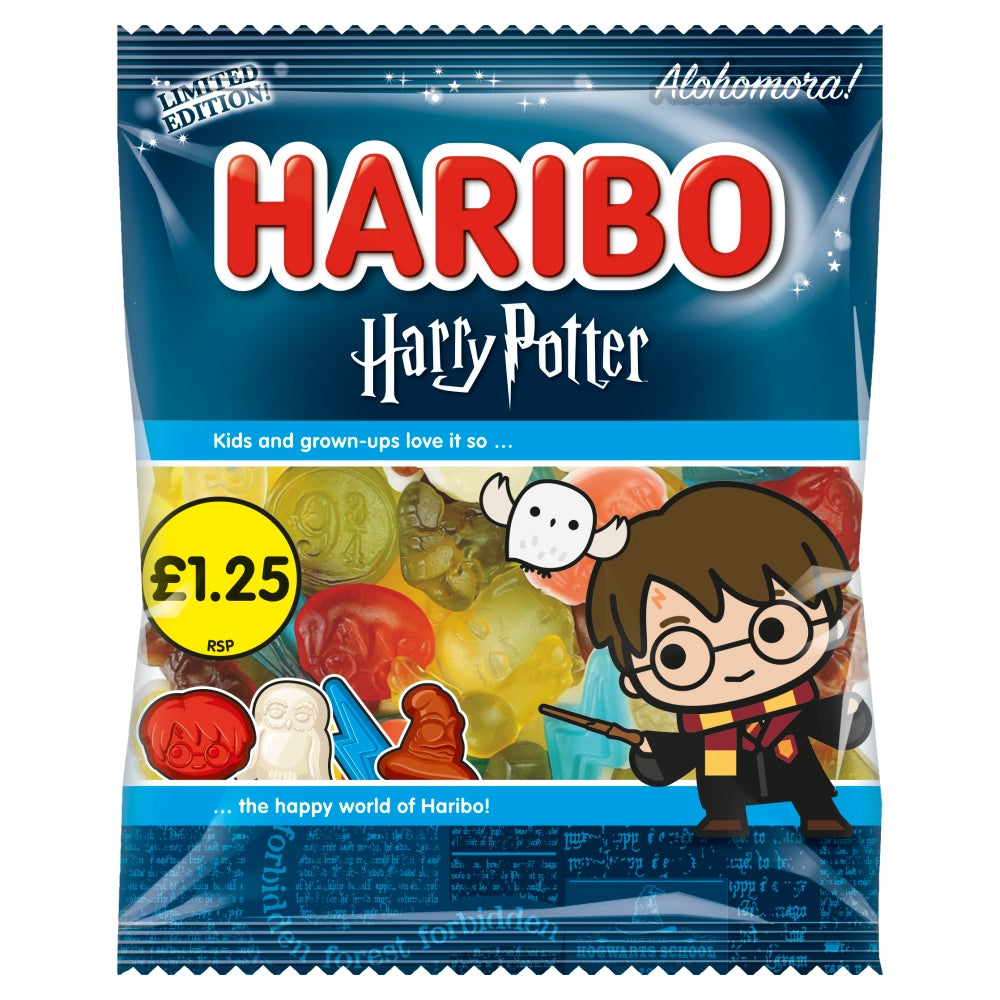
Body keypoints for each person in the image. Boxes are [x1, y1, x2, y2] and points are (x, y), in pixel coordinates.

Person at [587, 482, 872, 838]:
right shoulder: (704, 722)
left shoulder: (791, 703)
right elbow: (682, 753)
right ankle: (725, 818)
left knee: (806, 784)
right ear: (632, 678)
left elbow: (819, 720)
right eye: (677, 655)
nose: (736, 663)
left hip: (789, 755)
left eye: (772, 629)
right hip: (725, 781)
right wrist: (653, 752)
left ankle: (818, 813)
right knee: (721, 789)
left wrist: (844, 719)